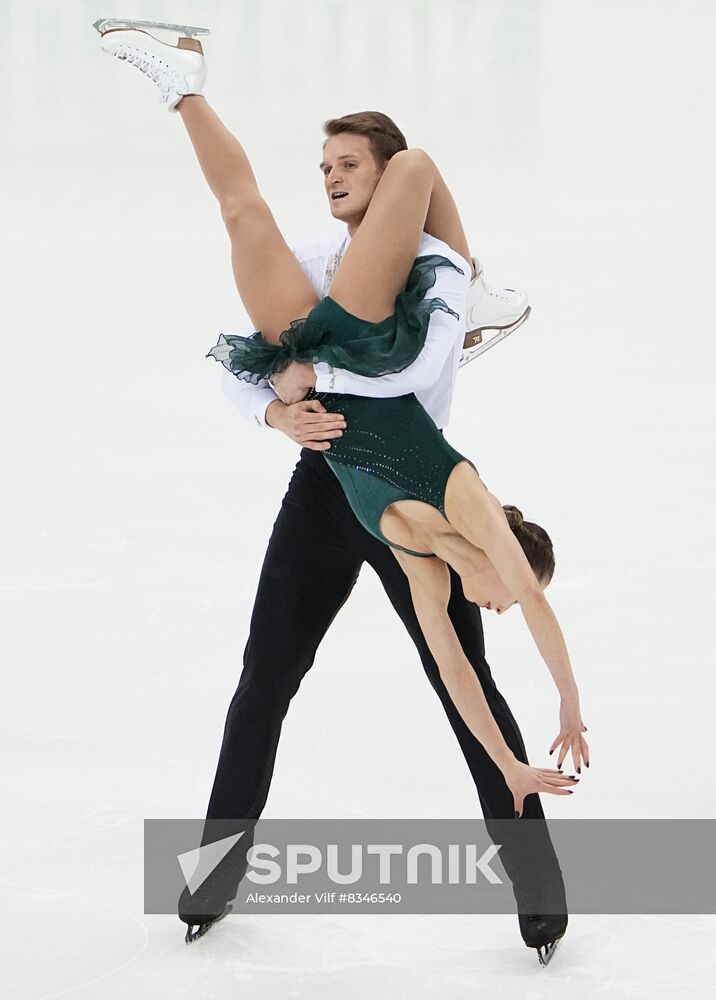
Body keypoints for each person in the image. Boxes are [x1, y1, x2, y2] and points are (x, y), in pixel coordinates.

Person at [96, 23, 588, 965]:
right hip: (326, 488)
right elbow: (239, 368)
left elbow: (514, 614)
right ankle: (214, 877)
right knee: (265, 679)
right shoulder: (327, 265)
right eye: (324, 164)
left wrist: (567, 707)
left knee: (468, 687)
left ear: (383, 171)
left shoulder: (435, 271)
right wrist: (275, 417)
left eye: (348, 162)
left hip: (408, 485)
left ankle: (539, 890)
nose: (331, 176)